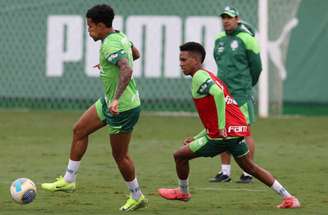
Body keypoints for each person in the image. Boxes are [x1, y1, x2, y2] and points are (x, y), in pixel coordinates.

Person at [158, 42, 300, 209]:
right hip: (236, 130)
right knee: (250, 167)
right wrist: (198, 137)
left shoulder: (198, 77)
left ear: (196, 61)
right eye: (180, 60)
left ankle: (183, 192)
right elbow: (217, 112)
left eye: (184, 60)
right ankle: (289, 198)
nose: (180, 63)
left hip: (223, 134)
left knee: (179, 156)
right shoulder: (209, 75)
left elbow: (218, 95)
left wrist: (221, 127)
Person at [41, 4, 147, 212]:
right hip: (109, 101)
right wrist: (108, 66)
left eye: (90, 26)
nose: (88, 30)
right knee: (79, 130)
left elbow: (126, 69)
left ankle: (137, 196)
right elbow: (135, 54)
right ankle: (69, 180)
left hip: (122, 107)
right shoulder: (119, 36)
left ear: (100, 25)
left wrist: (116, 99)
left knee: (120, 156)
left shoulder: (109, 45)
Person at [210, 6, 262, 183]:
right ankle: (225, 172)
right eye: (223, 17)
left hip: (241, 93)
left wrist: (247, 85)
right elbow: (218, 61)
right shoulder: (219, 39)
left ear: (237, 19)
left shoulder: (247, 39)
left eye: (229, 17)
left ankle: (248, 172)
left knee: (244, 132)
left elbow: (257, 67)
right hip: (223, 93)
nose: (226, 20)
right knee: (223, 130)